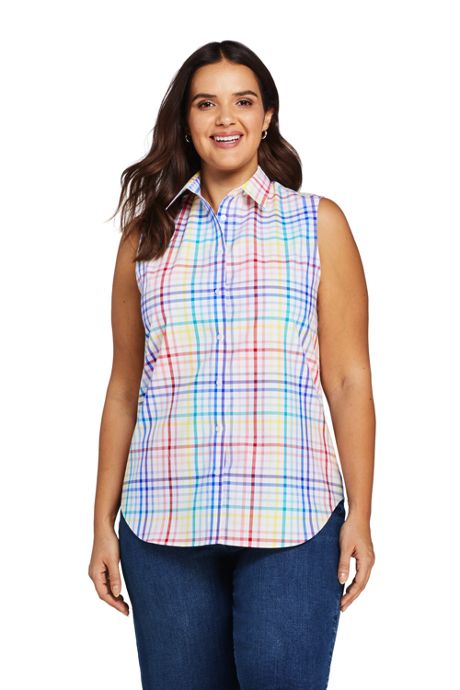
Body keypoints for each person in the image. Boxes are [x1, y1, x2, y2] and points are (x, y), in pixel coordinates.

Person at [88, 40, 376, 690]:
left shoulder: (317, 224)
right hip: (164, 522)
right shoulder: (146, 237)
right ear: (186, 120)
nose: (226, 118)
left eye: (243, 101)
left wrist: (360, 513)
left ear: (267, 115)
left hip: (292, 519)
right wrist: (102, 523)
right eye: (206, 104)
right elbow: (125, 388)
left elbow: (348, 380)